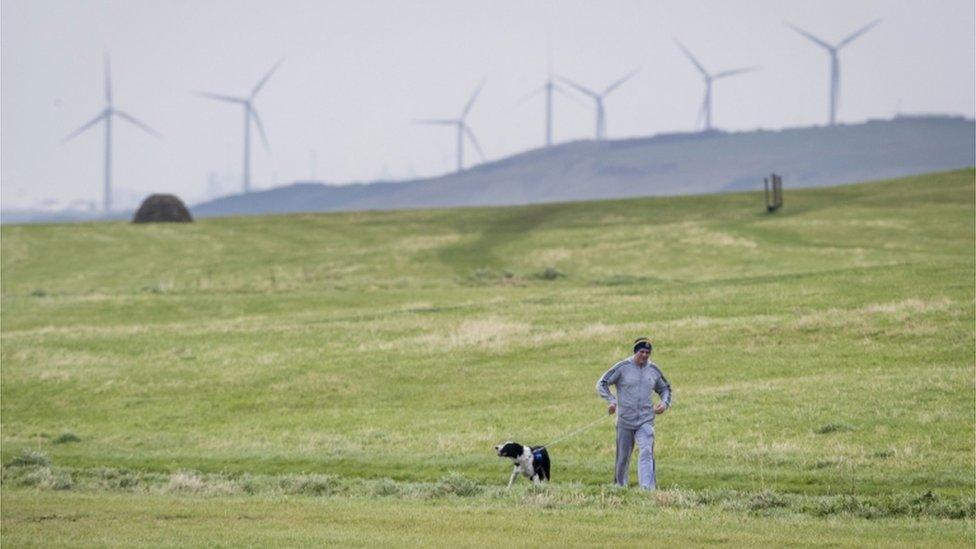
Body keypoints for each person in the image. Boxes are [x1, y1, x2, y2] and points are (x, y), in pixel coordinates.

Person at [596, 337, 672, 489]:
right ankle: (620, 487)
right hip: (625, 421)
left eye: (648, 353)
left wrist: (664, 403)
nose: (644, 355)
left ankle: (647, 489)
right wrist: (612, 400)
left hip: (646, 420)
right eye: (642, 352)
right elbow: (602, 383)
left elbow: (665, 389)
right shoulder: (623, 367)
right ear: (635, 352)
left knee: (646, 451)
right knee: (623, 457)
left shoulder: (654, 370)